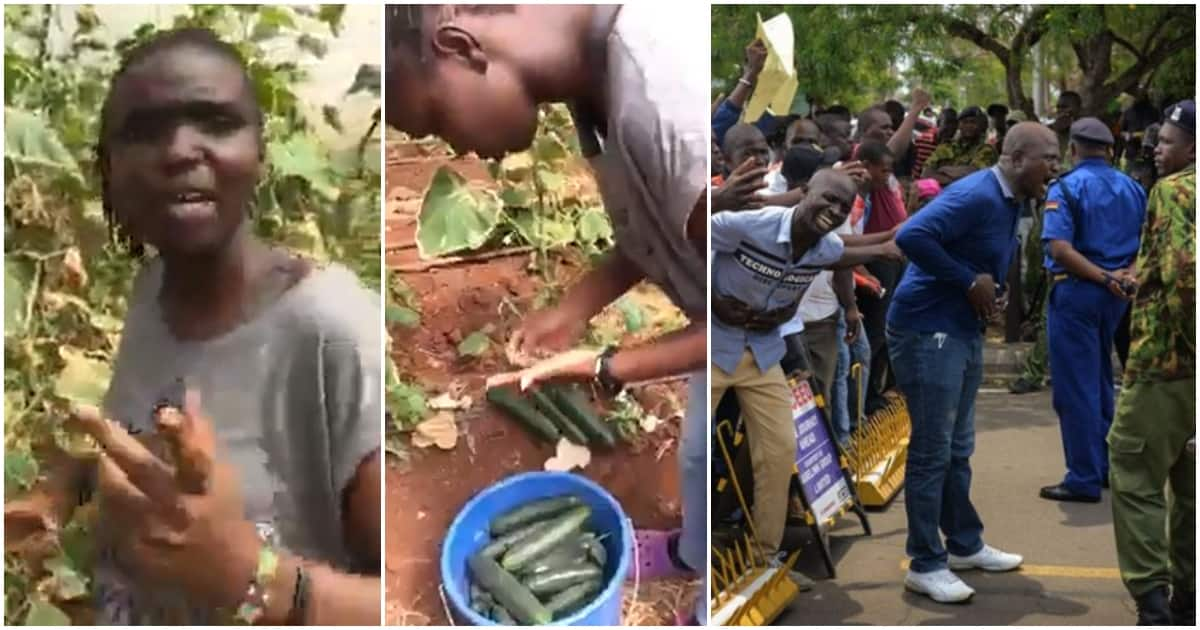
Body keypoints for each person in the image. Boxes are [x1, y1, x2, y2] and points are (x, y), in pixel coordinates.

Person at [6, 28, 384, 625]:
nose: (181, 150)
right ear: (106, 167)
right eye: (145, 130)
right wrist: (59, 490)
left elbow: (412, 598)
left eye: (215, 122)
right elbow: (146, 436)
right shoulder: (152, 288)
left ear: (259, 151)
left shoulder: (330, 332)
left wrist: (251, 577)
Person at [384, 5, 709, 623]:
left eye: (434, 122)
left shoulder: (671, 112)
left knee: (722, 469)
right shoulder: (593, 83)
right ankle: (692, 551)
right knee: (698, 458)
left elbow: (741, 324)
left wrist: (612, 366)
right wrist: (575, 307)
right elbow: (658, 225)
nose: (455, 147)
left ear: (460, 46)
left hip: (741, 347)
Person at [888, 122, 1060, 603]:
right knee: (931, 452)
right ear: (1017, 157)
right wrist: (968, 281)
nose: (1056, 165)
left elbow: (982, 260)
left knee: (957, 448)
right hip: (927, 330)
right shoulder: (978, 194)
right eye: (1049, 157)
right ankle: (924, 563)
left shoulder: (1009, 198)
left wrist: (990, 295)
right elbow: (913, 235)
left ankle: (963, 545)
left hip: (959, 330)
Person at [711, 170, 898, 583]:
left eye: (842, 207)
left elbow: (841, 253)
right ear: (803, 193)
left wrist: (886, 244)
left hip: (762, 356)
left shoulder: (824, 245)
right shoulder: (746, 226)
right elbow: (691, 241)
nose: (832, 211)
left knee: (779, 455)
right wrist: (712, 300)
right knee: (687, 448)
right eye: (826, 199)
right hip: (712, 349)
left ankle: (765, 563)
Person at [1108, 100, 1195, 626]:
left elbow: (1186, 274)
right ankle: (1189, 595)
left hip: (1169, 364)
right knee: (1191, 486)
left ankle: (1154, 602)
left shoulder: (1176, 190)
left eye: (1165, 141)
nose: (1155, 150)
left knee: (1135, 472)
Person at [1037, 118, 1147, 504]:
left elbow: (1060, 250)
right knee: (1100, 380)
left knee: (1075, 388)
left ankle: (1083, 477)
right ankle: (1102, 467)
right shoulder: (1132, 187)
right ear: (1110, 150)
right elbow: (1144, 243)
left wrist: (1103, 278)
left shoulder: (1065, 187)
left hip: (1079, 291)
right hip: (1116, 295)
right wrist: (1124, 277)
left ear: (1073, 149)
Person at [921, 106, 998, 186]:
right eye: (965, 122)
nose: (969, 125)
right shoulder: (946, 146)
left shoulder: (986, 150)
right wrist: (957, 177)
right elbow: (926, 173)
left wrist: (943, 170)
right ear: (959, 125)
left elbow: (974, 174)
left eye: (973, 122)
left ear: (980, 125)